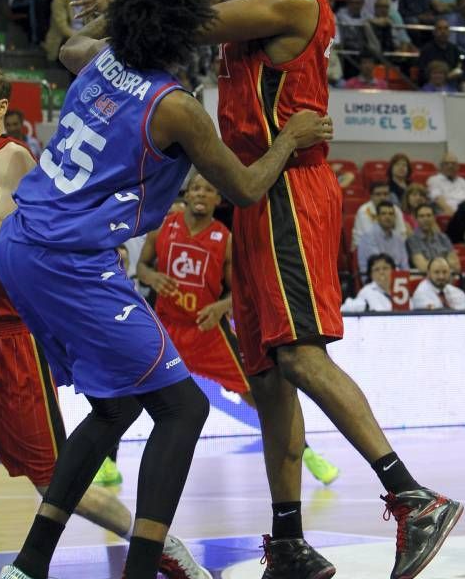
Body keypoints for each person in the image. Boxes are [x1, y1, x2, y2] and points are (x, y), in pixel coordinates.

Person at [0, 0, 330, 579]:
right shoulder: (177, 108)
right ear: (181, 33)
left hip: (22, 244)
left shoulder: (97, 58)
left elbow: (71, 46)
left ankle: (27, 570)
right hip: (68, 259)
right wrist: (290, 137)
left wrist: (117, 9)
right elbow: (248, 187)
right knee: (183, 409)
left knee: (115, 410)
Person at [164, 0, 462, 579]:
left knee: (297, 352)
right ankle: (290, 542)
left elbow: (204, 16)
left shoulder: (292, 1)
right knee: (265, 378)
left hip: (292, 187)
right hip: (256, 197)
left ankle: (412, 493)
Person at [0, 73, 210, 579]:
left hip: (7, 345)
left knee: (56, 484)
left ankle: (163, 549)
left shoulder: (10, 160)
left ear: (0, 108)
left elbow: (11, 241)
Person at [135, 173, 340, 487]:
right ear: (186, 194)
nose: (202, 193)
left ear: (219, 199)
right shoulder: (163, 227)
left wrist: (220, 307)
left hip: (208, 330)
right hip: (168, 330)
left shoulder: (225, 239)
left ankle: (307, 453)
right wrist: (151, 278)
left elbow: (238, 291)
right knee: (132, 389)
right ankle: (108, 464)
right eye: (196, 188)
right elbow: (141, 267)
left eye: (210, 188)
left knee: (260, 393)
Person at [356, 200, 409, 273]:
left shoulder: (398, 237)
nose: (388, 217)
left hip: (396, 276)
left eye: (391, 214)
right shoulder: (368, 236)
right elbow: (378, 264)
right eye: (383, 214)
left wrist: (406, 276)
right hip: (374, 276)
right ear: (377, 217)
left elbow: (404, 264)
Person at [406, 203, 453, 272]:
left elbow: (456, 265)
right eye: (421, 216)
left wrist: (431, 264)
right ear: (416, 219)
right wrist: (445, 262)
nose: (426, 219)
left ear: (434, 217)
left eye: (429, 215)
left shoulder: (443, 238)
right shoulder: (412, 240)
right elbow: (422, 267)